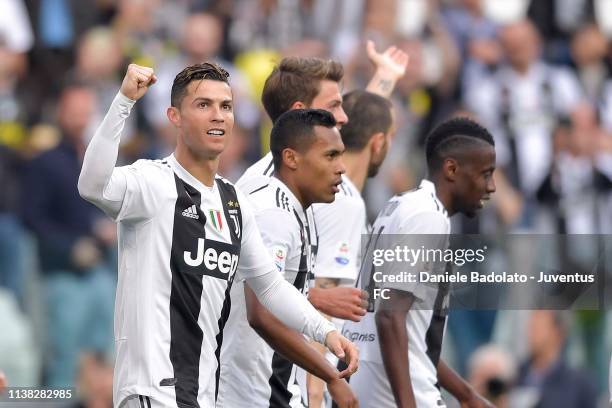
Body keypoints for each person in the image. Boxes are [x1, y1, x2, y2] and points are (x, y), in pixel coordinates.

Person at [78, 62, 357, 408]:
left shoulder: (233, 201)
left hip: (202, 395)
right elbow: (92, 184)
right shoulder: (153, 182)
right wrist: (123, 101)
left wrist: (326, 332)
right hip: (153, 392)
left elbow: (269, 286)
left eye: (225, 106)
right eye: (203, 105)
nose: (218, 116)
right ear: (174, 116)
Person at [237, 41, 408, 323]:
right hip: (293, 362)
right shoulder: (321, 194)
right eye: (334, 106)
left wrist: (385, 77)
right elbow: (321, 309)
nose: (343, 118)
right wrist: (322, 368)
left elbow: (364, 132)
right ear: (301, 111)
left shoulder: (264, 172)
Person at [345, 117, 497, 407]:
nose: (490, 187)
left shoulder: (402, 204)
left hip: (371, 374)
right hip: (398, 387)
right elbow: (389, 316)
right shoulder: (427, 218)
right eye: (485, 174)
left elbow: (414, 336)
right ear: (452, 169)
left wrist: (466, 394)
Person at [218, 109, 348, 407]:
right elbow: (261, 313)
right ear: (291, 158)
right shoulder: (274, 214)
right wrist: (329, 374)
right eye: (330, 156)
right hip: (248, 395)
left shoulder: (292, 206)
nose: (341, 168)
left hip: (270, 389)